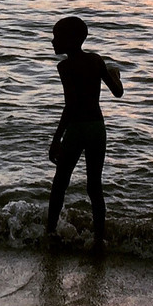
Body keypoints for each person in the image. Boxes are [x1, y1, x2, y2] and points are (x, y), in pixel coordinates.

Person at [46, 15, 123, 248]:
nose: (52, 41)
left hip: (78, 129)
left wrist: (56, 139)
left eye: (56, 37)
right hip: (97, 129)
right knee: (94, 186)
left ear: (70, 40)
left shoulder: (65, 66)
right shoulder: (97, 60)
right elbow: (117, 93)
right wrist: (115, 75)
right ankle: (99, 239)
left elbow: (70, 106)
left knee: (60, 183)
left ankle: (50, 233)